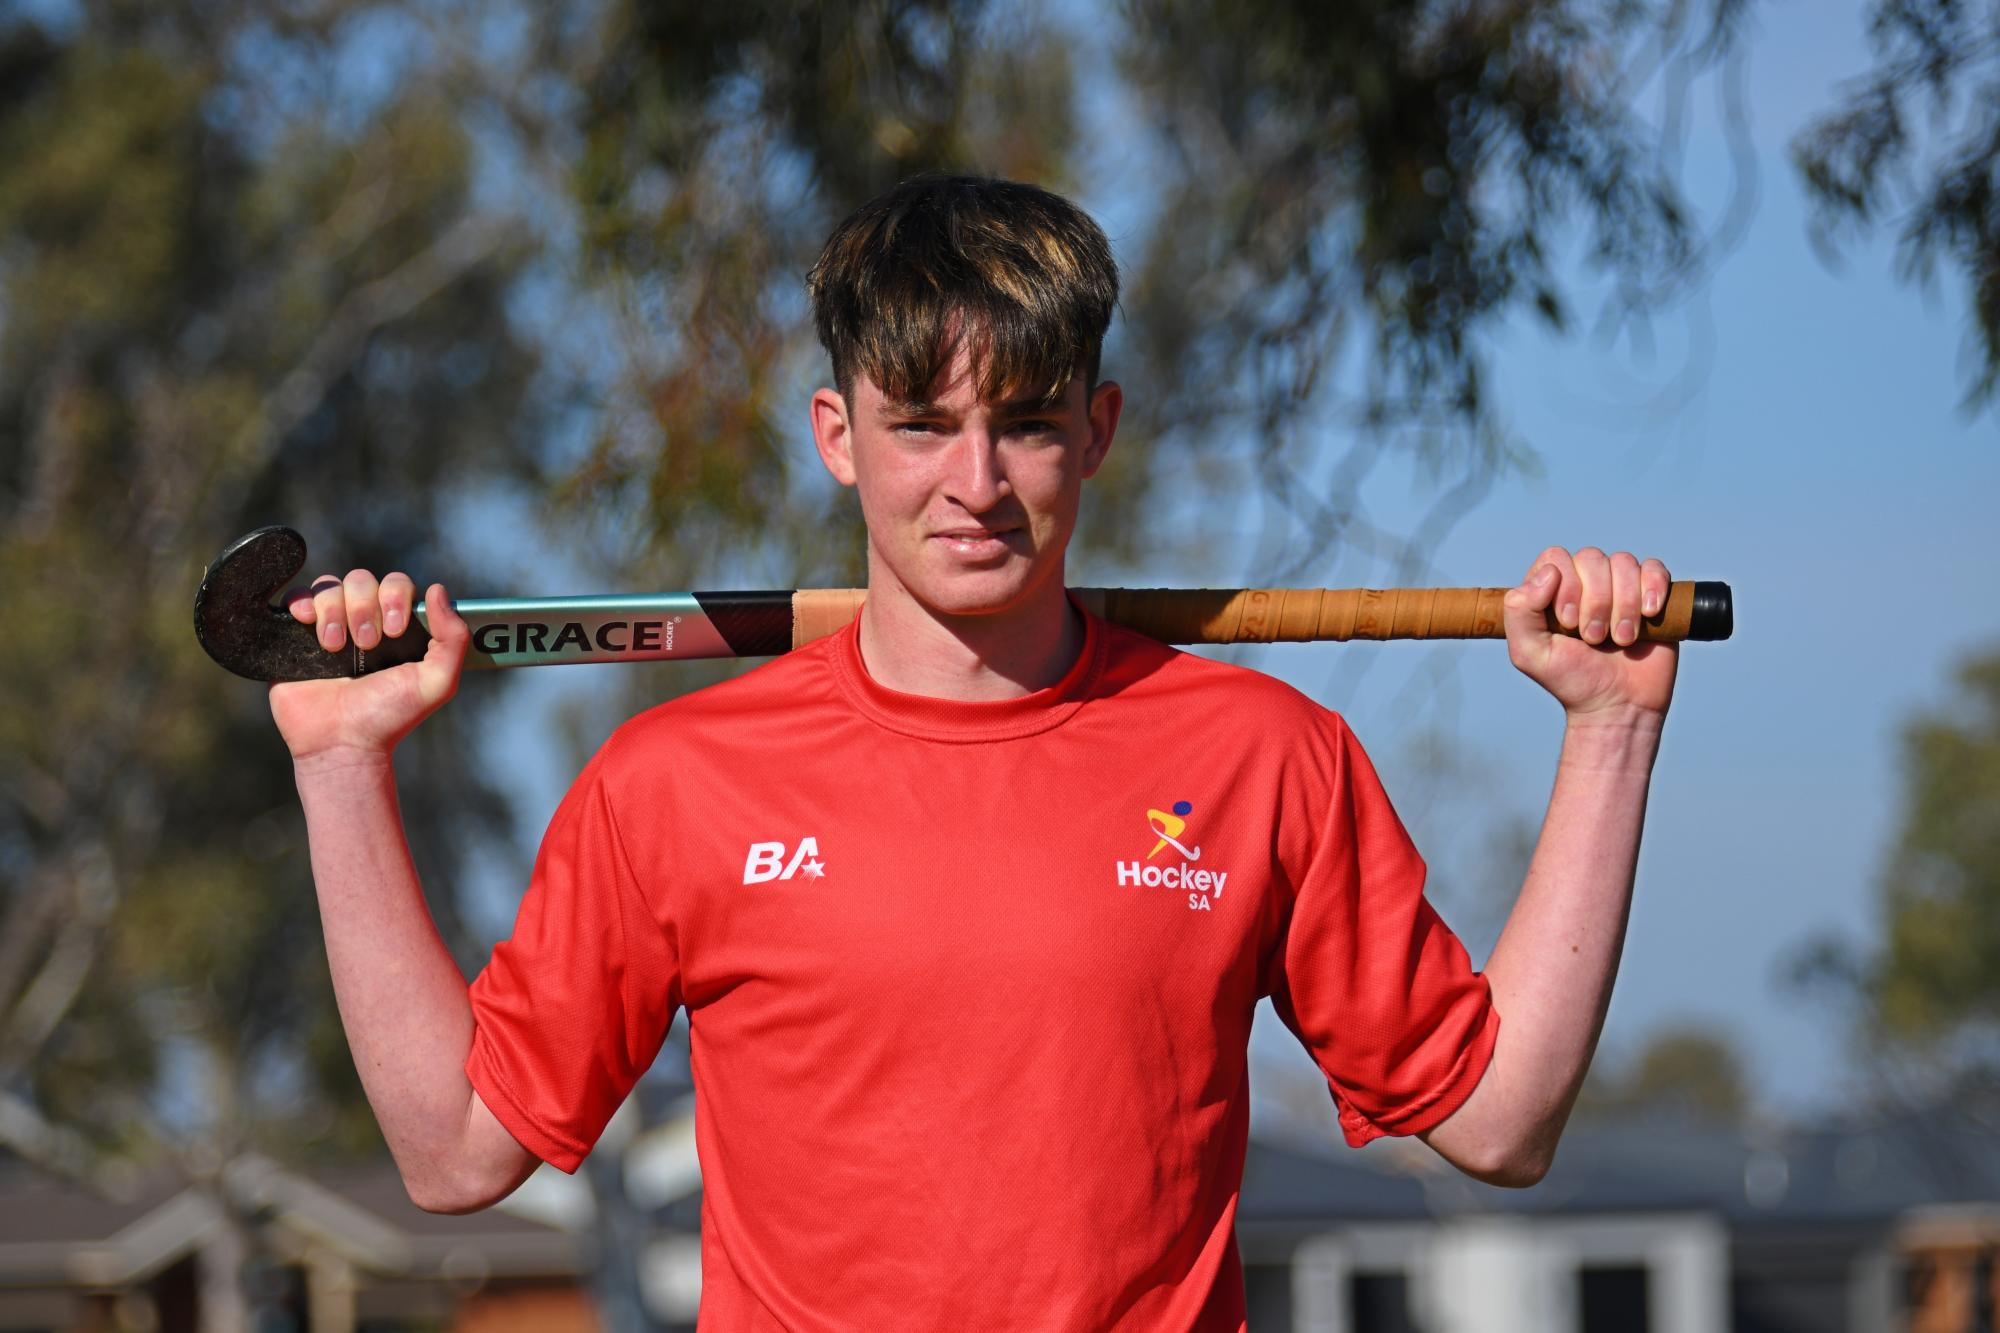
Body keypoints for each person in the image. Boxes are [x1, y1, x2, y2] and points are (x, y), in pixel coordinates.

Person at [270, 174, 1680, 1330]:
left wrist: (1610, 732)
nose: (978, 484)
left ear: (1098, 430)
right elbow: (455, 1151)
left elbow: (1500, 1121)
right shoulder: (676, 784)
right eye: (924, 427)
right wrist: (342, 769)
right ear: (839, 436)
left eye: (1025, 425)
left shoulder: (1263, 758)